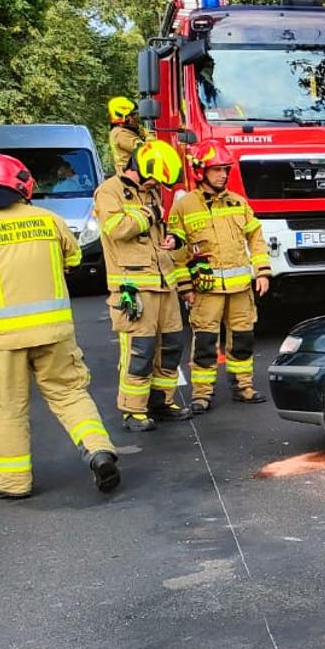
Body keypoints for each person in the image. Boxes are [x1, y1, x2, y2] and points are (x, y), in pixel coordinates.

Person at [0, 152, 121, 498]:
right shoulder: (49, 220)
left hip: (4, 339)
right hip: (55, 333)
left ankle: (13, 482)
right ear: (23, 186)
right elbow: (75, 259)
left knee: (7, 407)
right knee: (69, 394)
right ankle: (98, 450)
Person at [94, 139, 195, 432]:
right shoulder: (110, 191)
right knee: (140, 351)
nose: (155, 185)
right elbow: (117, 229)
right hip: (134, 288)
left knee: (172, 346)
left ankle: (161, 402)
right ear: (140, 167)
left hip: (165, 284)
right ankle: (133, 410)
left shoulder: (150, 193)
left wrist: (173, 239)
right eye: (154, 178)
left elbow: (160, 229)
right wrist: (149, 214)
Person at [168, 139, 272, 411]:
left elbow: (256, 238)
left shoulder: (238, 202)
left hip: (240, 290)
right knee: (204, 343)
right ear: (200, 171)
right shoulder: (184, 207)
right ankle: (202, 395)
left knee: (242, 339)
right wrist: (185, 287)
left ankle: (243, 386)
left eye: (225, 169)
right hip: (206, 290)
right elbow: (177, 253)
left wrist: (262, 272)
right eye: (216, 170)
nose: (223, 174)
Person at [107, 96, 144, 175]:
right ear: (125, 117)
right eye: (134, 115)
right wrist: (150, 136)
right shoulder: (120, 134)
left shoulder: (125, 131)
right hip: (131, 179)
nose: (137, 118)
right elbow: (144, 150)